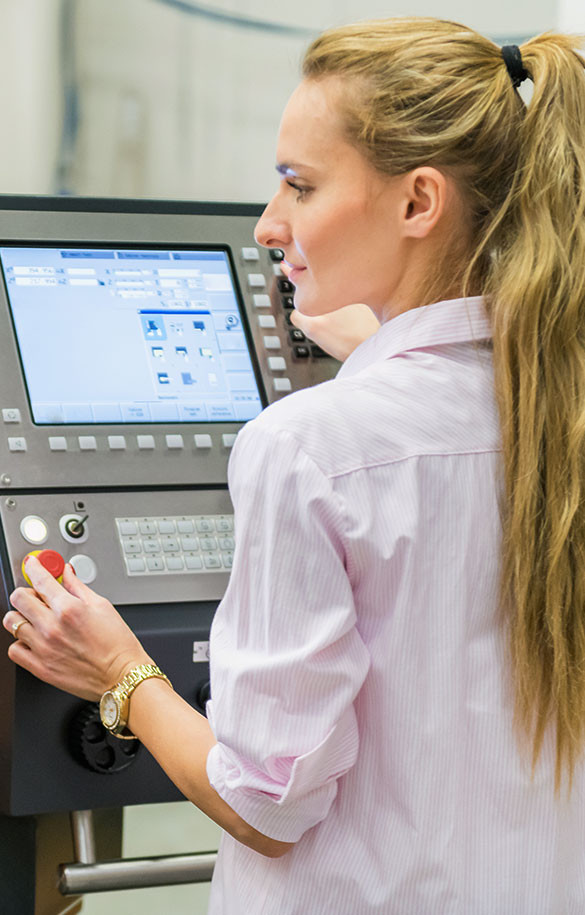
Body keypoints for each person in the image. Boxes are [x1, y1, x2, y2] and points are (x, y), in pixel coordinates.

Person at [4, 16, 585, 913]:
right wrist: (382, 342)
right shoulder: (559, 415)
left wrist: (119, 670)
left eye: (299, 185)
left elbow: (268, 805)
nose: (268, 225)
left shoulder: (306, 445)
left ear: (417, 202)